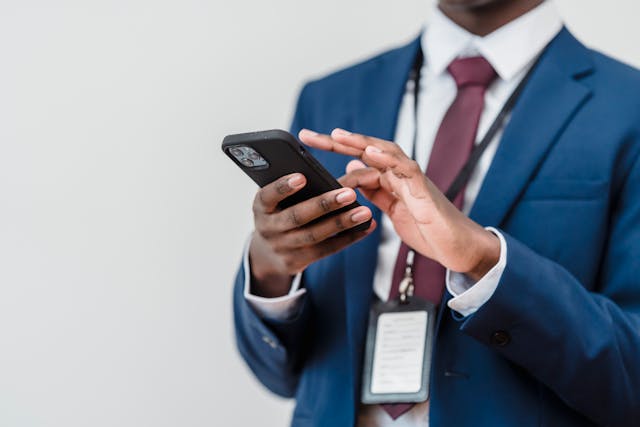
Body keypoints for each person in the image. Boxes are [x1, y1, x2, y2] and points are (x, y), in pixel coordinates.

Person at [232, 0, 640, 425]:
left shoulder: (629, 107)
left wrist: (484, 260)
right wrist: (272, 270)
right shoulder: (330, 96)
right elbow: (278, 373)